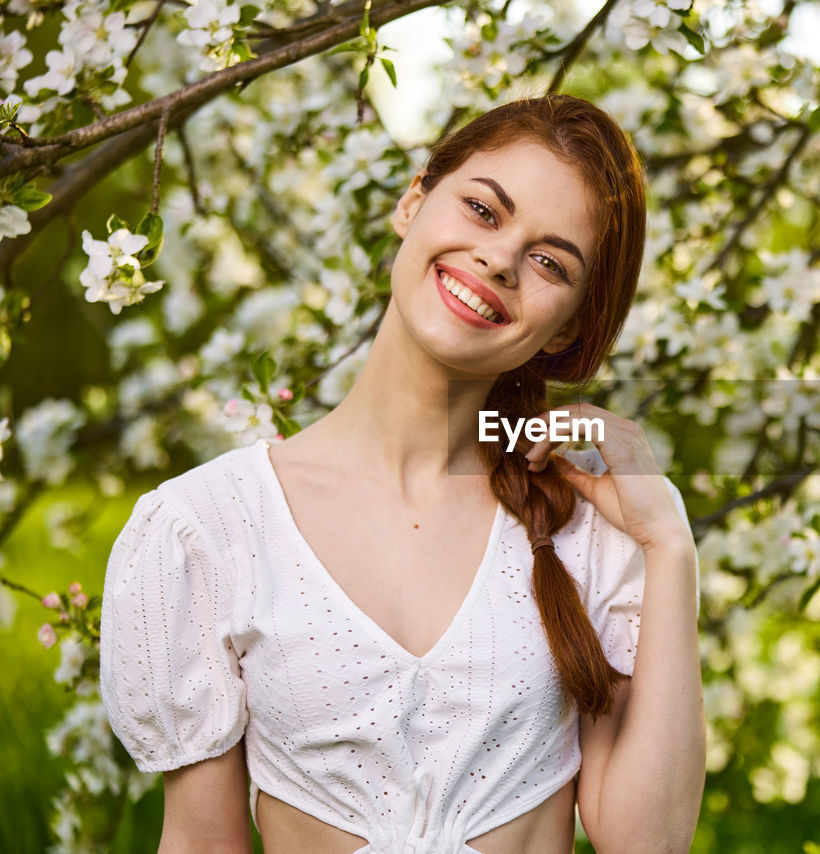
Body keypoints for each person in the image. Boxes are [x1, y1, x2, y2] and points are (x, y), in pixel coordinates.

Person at [100, 94, 705, 854]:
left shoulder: (594, 531)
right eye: (484, 211)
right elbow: (200, 844)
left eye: (550, 261)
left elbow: (647, 844)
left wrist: (670, 549)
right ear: (413, 200)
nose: (499, 260)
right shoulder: (207, 528)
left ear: (574, 324)